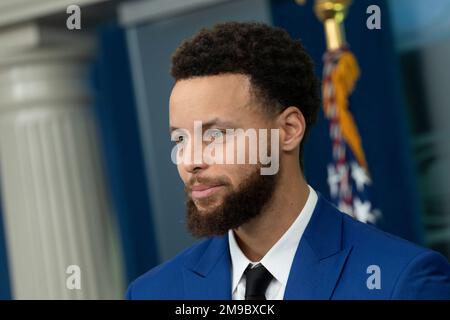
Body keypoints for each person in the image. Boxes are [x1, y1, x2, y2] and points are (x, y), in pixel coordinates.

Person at [126, 22, 450, 300]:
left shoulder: (401, 282)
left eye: (216, 135)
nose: (190, 161)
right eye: (180, 139)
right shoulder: (151, 292)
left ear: (288, 130)